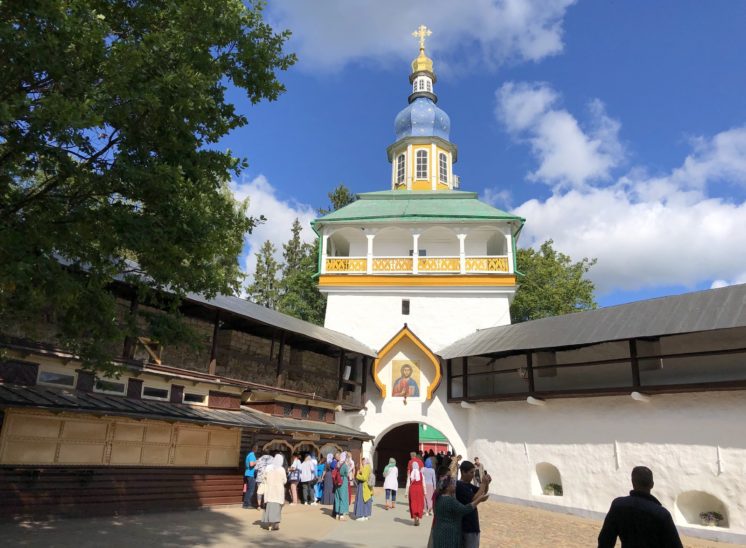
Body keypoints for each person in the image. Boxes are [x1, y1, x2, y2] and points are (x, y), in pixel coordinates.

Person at [598, 466, 683, 548]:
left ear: (633, 483)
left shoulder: (618, 505)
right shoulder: (661, 514)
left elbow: (605, 541)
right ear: (652, 485)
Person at [431, 474, 490, 548]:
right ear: (447, 488)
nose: (455, 485)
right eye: (452, 484)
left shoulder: (439, 498)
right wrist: (479, 500)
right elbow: (465, 509)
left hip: (440, 532)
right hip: (447, 536)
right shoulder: (449, 500)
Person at [457, 461, 491, 548]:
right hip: (467, 526)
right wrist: (483, 483)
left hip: (472, 525)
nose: (473, 475)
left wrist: (486, 483)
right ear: (463, 472)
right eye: (471, 472)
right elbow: (473, 500)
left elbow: (482, 492)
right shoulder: (460, 486)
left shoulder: (468, 485)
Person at [261, 454, 287, 531]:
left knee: (268, 507)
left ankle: (269, 525)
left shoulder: (268, 468)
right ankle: (275, 525)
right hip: (278, 491)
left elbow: (263, 478)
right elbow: (284, 481)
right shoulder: (282, 469)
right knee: (277, 508)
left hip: (269, 490)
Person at [333, 451, 350, 520]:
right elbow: (346, 473)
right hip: (343, 481)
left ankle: (337, 514)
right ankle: (341, 514)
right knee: (343, 497)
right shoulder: (344, 465)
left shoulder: (337, 464)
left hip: (337, 481)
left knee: (337, 497)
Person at [409, 462, 426, 526]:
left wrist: (406, 492)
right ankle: (418, 518)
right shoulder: (421, 474)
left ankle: (415, 518)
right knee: (419, 503)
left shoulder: (411, 474)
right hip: (420, 489)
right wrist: (425, 492)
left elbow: (408, 483)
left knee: (413, 503)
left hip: (412, 490)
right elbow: (423, 483)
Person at [243, 443, 258, 509]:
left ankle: (246, 503)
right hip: (251, 474)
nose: (257, 449)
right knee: (251, 490)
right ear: (254, 448)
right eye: (256, 447)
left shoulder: (249, 455)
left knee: (249, 489)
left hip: (248, 473)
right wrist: (257, 461)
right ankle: (247, 504)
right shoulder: (252, 455)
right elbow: (251, 464)